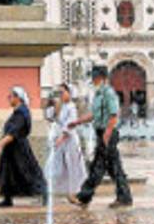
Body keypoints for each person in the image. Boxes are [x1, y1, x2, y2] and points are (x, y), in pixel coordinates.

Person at [73, 65, 133, 208]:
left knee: (98, 166)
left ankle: (84, 196)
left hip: (108, 133)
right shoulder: (98, 94)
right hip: (102, 132)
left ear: (102, 78)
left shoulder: (108, 93)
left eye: (95, 77)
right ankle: (124, 197)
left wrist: (107, 135)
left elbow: (114, 115)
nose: (93, 80)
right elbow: (95, 115)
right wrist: (77, 121)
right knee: (114, 168)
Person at [0, 86, 46, 207]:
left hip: (19, 149)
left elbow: (14, 132)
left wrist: (0, 144)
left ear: (18, 98)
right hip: (11, 149)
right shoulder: (18, 111)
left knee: (28, 172)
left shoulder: (22, 113)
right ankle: (7, 198)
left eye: (10, 96)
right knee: (8, 173)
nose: (8, 98)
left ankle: (44, 193)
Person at [48, 84, 86, 202]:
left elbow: (70, 124)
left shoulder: (71, 107)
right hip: (62, 140)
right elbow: (55, 119)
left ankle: (74, 193)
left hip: (70, 141)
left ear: (70, 93)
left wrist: (62, 137)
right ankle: (66, 191)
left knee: (73, 167)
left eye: (63, 92)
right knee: (62, 166)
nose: (61, 95)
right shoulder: (62, 106)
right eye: (60, 93)